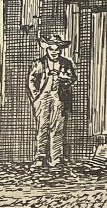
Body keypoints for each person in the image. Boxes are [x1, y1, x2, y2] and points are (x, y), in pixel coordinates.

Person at [28, 31, 76, 169]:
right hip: (43, 98)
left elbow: (72, 78)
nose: (54, 52)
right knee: (43, 127)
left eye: (57, 50)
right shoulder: (39, 63)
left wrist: (63, 79)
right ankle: (40, 157)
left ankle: (56, 158)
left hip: (59, 98)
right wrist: (36, 97)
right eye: (51, 49)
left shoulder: (66, 63)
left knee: (57, 128)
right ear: (47, 49)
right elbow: (31, 81)